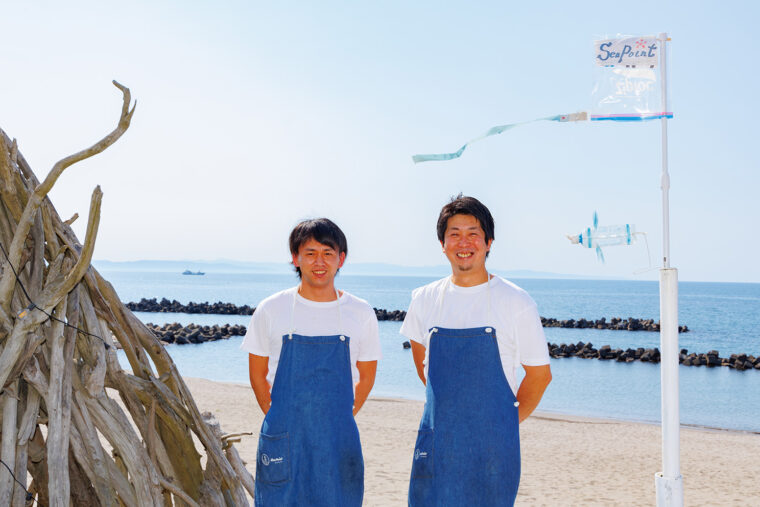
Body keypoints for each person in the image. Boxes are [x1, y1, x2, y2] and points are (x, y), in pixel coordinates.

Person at [401, 195, 552, 506]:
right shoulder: (424, 299)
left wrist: (501, 424)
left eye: (473, 233)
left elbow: (539, 376)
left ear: (488, 242)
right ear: (442, 244)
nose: (463, 242)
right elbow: (424, 370)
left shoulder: (516, 301)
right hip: (436, 444)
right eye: (454, 234)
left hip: (492, 450)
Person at [241, 218, 381, 507]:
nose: (320, 261)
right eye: (310, 253)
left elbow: (366, 377)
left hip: (339, 442)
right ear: (296, 258)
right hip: (284, 439)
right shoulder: (271, 309)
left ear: (341, 259)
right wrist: (280, 418)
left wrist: (341, 417)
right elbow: (258, 376)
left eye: (328, 253)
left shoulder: (361, 312)